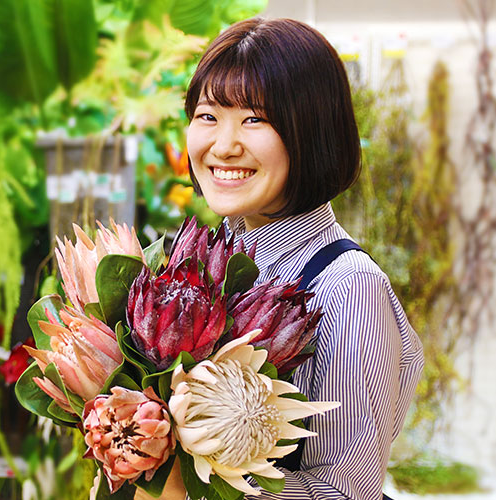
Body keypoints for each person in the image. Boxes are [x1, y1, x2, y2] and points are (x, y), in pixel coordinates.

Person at [142, 17, 425, 500]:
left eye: (254, 119)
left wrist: (190, 487)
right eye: (208, 116)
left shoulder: (346, 288)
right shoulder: (201, 260)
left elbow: (346, 490)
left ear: (312, 132)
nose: (223, 146)